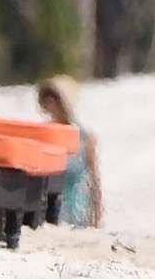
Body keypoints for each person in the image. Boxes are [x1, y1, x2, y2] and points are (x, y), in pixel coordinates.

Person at [37, 75, 103, 227]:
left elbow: (94, 178)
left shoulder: (84, 137)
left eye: (55, 98)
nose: (50, 103)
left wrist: (97, 215)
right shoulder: (44, 133)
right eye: (47, 98)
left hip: (77, 209)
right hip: (49, 210)